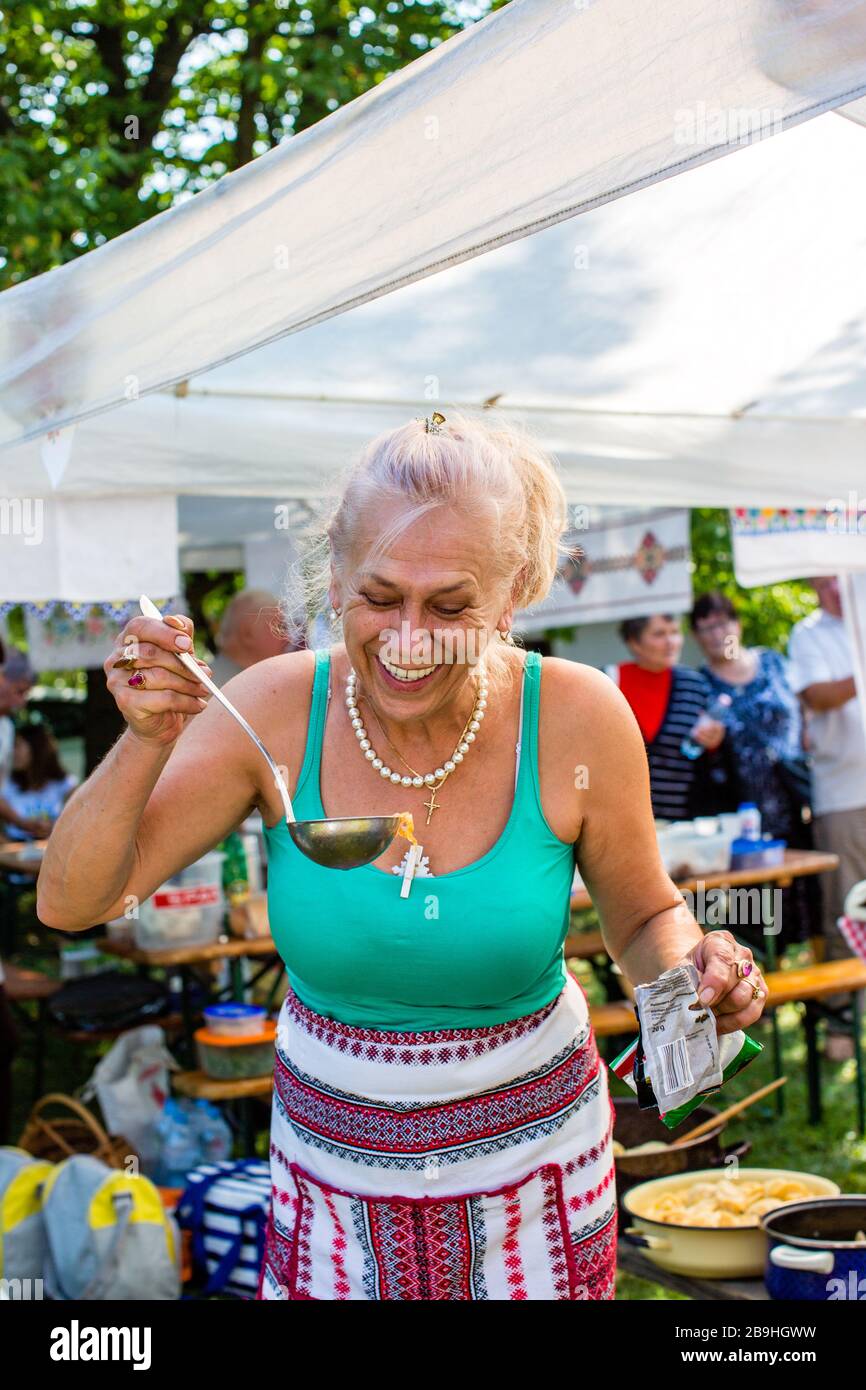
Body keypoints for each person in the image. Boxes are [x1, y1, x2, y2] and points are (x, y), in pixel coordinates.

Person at [37, 412, 767, 1302]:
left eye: (452, 607)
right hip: (332, 1184)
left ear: (513, 597)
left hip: (537, 1179)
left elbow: (644, 915)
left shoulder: (577, 717)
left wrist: (692, 973)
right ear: (335, 577)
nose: (409, 637)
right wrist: (146, 739)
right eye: (378, 597)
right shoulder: (270, 709)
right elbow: (73, 901)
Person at [690, 590, 818, 947]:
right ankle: (766, 994)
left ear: (737, 623)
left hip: (797, 805)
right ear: (697, 637)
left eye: (722, 622)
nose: (717, 633)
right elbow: (692, 753)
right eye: (706, 628)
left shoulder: (774, 663)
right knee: (761, 916)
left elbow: (804, 710)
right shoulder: (700, 685)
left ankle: (827, 1001)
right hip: (742, 816)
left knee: (813, 903)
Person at [788, 575, 866, 1060]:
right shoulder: (808, 633)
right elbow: (817, 696)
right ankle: (842, 1020)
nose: (841, 585)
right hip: (843, 794)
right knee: (848, 908)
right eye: (831, 577)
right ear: (816, 579)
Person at [609, 614, 736, 821]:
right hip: (625, 820)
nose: (671, 642)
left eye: (675, 632)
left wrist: (714, 740)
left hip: (685, 821)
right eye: (659, 634)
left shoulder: (694, 685)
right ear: (634, 642)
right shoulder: (609, 682)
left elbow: (715, 753)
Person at [210, 588, 304, 684]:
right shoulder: (212, 688)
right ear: (247, 634)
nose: (288, 637)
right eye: (279, 627)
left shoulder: (211, 682)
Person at [2, 725, 77, 843]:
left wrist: (53, 827)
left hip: (53, 849)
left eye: (18, 745)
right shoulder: (7, 784)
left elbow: (77, 820)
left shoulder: (64, 784)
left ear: (36, 747)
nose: (13, 751)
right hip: (13, 850)